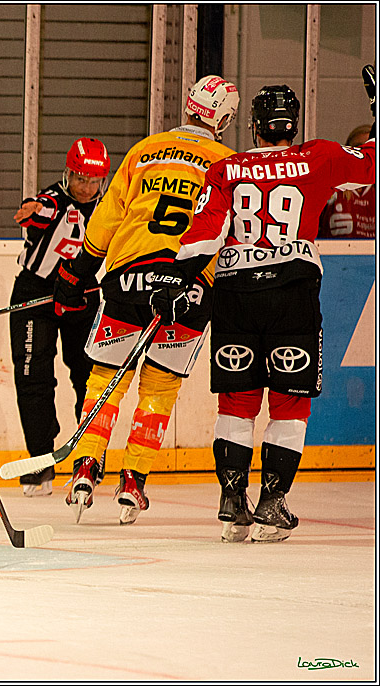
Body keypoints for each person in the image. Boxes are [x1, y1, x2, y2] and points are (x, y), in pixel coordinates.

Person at [152, 73, 376, 543]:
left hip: (236, 292)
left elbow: (207, 233)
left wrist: (178, 281)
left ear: (253, 126)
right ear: (292, 125)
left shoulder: (226, 170)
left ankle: (234, 503)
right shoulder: (318, 157)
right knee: (289, 403)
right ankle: (273, 503)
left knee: (237, 401)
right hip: (292, 291)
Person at [51, 75, 240, 525]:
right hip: (189, 285)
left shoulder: (144, 150)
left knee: (104, 381)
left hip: (129, 276)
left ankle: (85, 465)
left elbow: (108, 217)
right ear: (225, 119)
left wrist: (78, 270)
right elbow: (229, 232)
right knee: (159, 390)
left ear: (189, 106)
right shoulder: (231, 163)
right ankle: (134, 478)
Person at [10, 138, 110, 497]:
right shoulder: (52, 199)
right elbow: (41, 209)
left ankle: (88, 459)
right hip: (36, 295)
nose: (86, 187)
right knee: (33, 377)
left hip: (82, 297)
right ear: (67, 174)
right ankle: (39, 461)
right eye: (80, 178)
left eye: (93, 180)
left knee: (89, 377)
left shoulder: (109, 209)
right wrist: (31, 210)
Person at [319, 124, 375, 239]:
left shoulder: (374, 191)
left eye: (372, 150)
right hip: (333, 254)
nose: (365, 155)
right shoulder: (332, 187)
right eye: (359, 148)